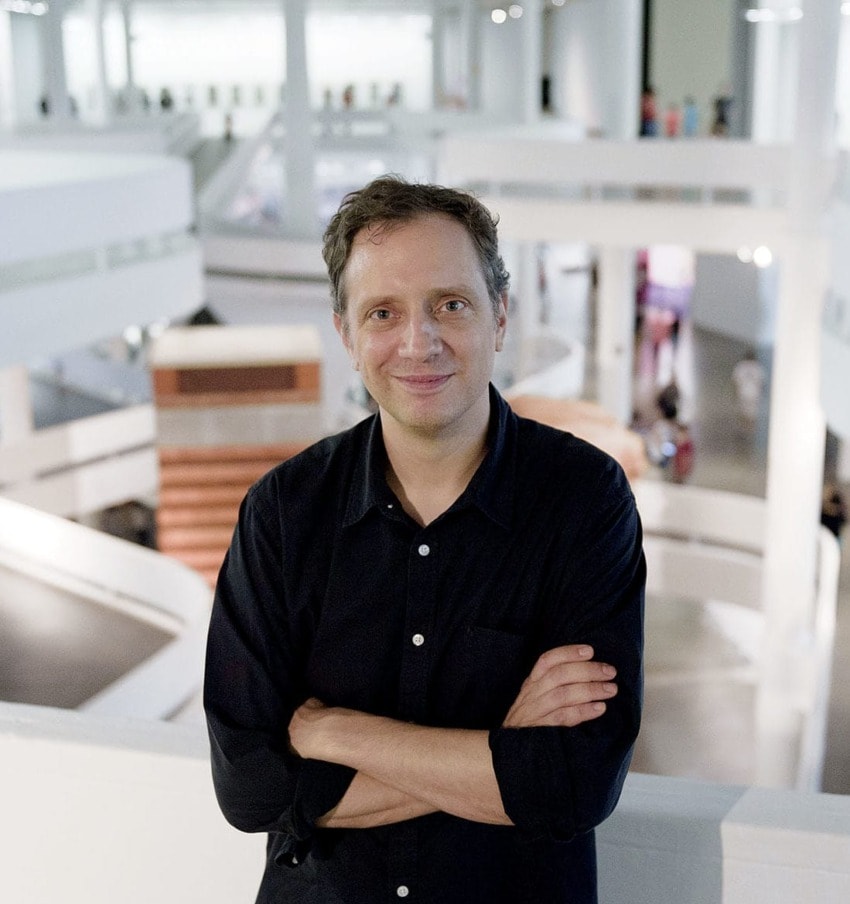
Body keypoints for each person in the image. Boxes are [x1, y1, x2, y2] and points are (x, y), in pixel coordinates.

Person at [204, 176, 646, 903]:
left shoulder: (583, 502)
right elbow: (250, 789)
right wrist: (500, 746)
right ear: (347, 335)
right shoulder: (282, 514)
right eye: (383, 311)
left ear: (499, 317)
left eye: (451, 304)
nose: (420, 341)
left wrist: (335, 733)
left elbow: (575, 781)